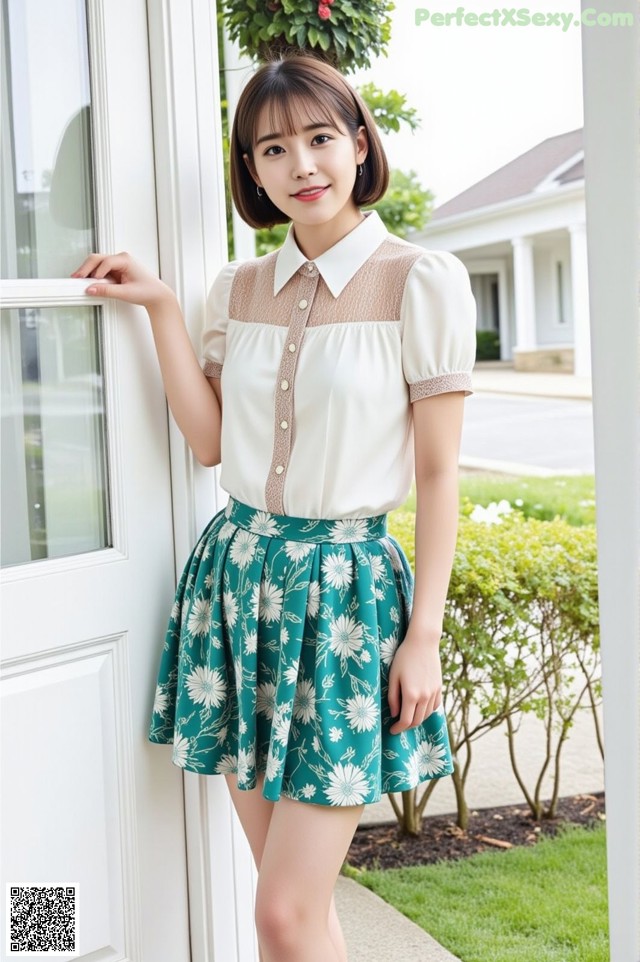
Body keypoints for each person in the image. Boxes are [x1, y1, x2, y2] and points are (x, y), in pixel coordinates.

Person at [71, 52, 476, 962]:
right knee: (294, 908)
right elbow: (211, 442)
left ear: (360, 143)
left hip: (343, 599)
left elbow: (442, 474)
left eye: (322, 138)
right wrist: (164, 310)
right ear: (249, 170)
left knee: (283, 917)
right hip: (235, 583)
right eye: (273, 149)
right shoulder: (238, 289)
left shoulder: (420, 281)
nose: (302, 166)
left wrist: (424, 637)